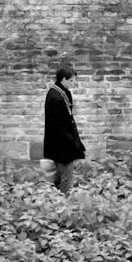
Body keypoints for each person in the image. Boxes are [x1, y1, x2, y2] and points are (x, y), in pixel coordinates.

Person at [43, 67, 86, 196]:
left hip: (63, 143)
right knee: (67, 177)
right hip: (62, 145)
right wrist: (70, 141)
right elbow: (56, 124)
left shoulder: (63, 92)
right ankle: (64, 203)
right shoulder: (56, 96)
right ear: (63, 79)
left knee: (61, 175)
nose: (73, 84)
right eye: (71, 81)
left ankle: (55, 198)